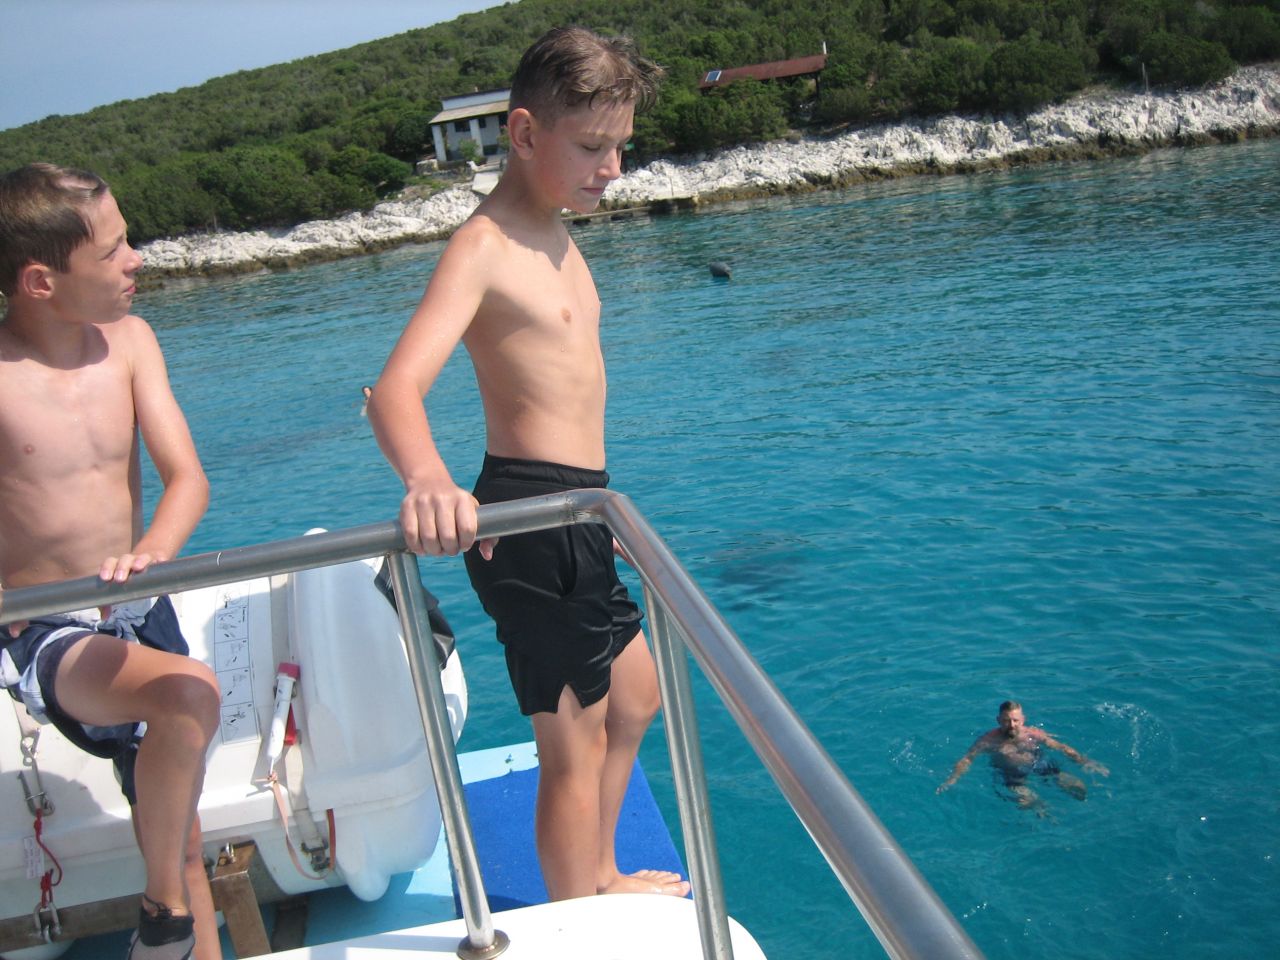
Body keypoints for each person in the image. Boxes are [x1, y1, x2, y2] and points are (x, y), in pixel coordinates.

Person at [368, 27, 689, 901]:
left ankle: (600, 872)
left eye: (621, 146)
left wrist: (596, 511)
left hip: (579, 509)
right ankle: (578, 913)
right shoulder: (485, 246)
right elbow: (394, 391)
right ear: (522, 133)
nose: (612, 168)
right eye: (591, 147)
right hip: (530, 517)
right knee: (571, 744)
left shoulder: (555, 233)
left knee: (637, 697)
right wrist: (428, 479)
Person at [0, 164, 220, 960]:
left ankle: (170, 918)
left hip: (140, 605)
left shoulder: (133, 343)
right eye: (114, 249)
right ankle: (160, 914)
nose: (137, 259)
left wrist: (154, 552)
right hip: (46, 630)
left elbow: (187, 478)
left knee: (184, 841)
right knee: (189, 692)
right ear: (41, 281)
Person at [937, 700, 1109, 809]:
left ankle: (1093, 805)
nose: (1011, 725)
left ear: (1023, 720)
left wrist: (1084, 761)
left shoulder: (1033, 733)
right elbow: (967, 759)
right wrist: (953, 779)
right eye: (1006, 721)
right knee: (1029, 802)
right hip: (1012, 775)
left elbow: (1060, 747)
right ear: (999, 720)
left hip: (1040, 764)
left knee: (1078, 788)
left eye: (1015, 720)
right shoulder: (988, 740)